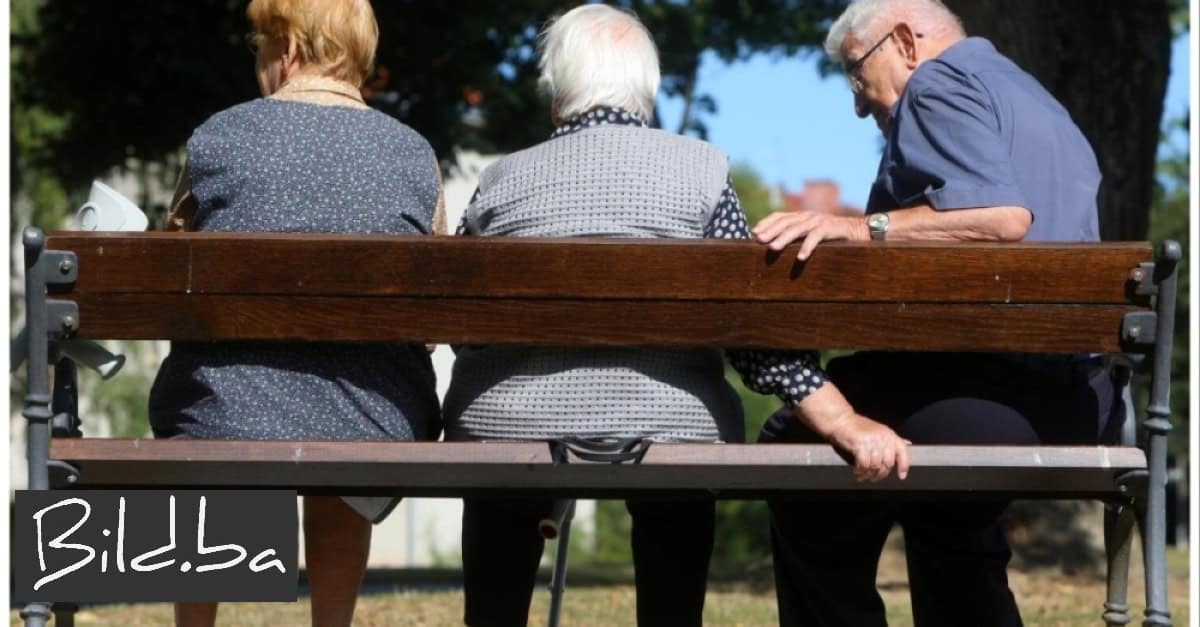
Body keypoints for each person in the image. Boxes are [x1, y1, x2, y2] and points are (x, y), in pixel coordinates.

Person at [442, 4, 915, 626]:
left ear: (557, 94)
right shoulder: (701, 173)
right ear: (645, 91)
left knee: (502, 474)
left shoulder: (501, 180)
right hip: (670, 424)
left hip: (513, 424)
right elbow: (749, 330)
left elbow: (465, 330)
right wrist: (843, 419)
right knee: (678, 473)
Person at [751, 1, 1115, 625]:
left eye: (857, 73)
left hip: (989, 397)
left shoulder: (935, 85)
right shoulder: (1036, 101)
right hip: (1082, 398)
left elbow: (1002, 218)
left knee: (794, 441)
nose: (858, 103)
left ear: (904, 43)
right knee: (946, 510)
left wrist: (861, 229)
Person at [148, 1, 443, 625]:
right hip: (375, 416)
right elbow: (434, 316)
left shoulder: (218, 137)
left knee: (225, 409)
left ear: (286, 51)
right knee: (348, 408)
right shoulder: (414, 153)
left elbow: (173, 273)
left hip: (223, 409)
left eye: (260, 49)